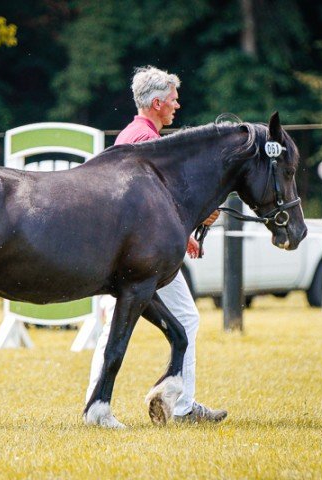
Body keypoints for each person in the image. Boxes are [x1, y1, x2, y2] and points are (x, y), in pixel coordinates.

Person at [86, 65, 227, 423]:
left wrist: (187, 234)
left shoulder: (128, 135)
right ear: (158, 102)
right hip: (142, 256)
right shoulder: (150, 144)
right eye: (174, 100)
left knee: (115, 325)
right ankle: (181, 407)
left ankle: (95, 399)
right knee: (185, 317)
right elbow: (159, 208)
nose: (177, 106)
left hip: (123, 251)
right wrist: (198, 220)